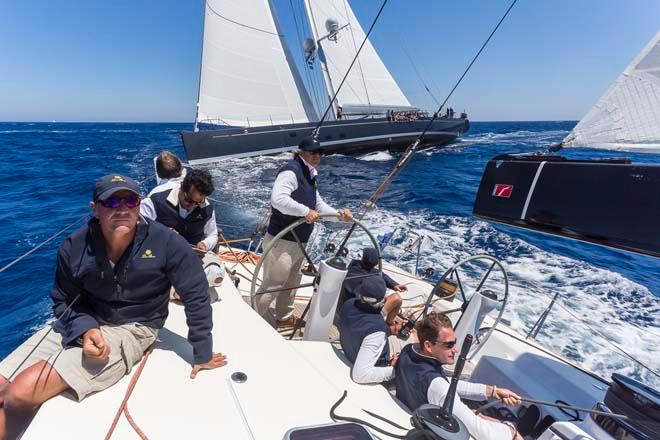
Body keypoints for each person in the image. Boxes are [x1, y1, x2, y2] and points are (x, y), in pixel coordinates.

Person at [0, 174, 227, 439]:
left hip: (134, 326)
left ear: (139, 205)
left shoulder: (167, 243)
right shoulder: (74, 246)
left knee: (20, 392)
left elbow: (196, 294)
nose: (122, 208)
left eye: (129, 200)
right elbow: (63, 299)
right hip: (83, 319)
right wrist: (86, 329)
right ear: (94, 208)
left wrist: (202, 353)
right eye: (111, 201)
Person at [256, 136, 352, 328]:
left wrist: (338, 215)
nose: (317, 156)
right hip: (282, 241)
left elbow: (318, 205)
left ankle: (283, 317)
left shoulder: (310, 174)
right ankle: (252, 320)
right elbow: (278, 199)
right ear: (301, 153)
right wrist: (305, 212)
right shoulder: (291, 172)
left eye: (320, 152)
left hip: (299, 241)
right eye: (312, 152)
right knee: (273, 285)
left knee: (292, 282)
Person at [396, 313, 522, 440]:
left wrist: (492, 391)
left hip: (414, 413)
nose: (455, 350)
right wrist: (511, 429)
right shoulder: (437, 386)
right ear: (429, 346)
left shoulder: (408, 352)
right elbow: (486, 434)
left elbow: (446, 383)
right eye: (449, 345)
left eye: (454, 344)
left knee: (476, 414)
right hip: (432, 431)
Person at [338, 277, 402, 384]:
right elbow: (360, 375)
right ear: (385, 300)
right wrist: (393, 370)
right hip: (378, 367)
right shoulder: (377, 331)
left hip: (349, 351)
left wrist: (389, 329)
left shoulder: (349, 304)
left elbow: (363, 325)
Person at [141, 168, 218, 252]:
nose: (192, 206)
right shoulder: (155, 203)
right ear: (181, 187)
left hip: (191, 256)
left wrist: (205, 244)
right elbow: (138, 229)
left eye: (198, 203)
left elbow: (212, 235)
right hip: (159, 253)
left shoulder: (206, 208)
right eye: (188, 200)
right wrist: (160, 233)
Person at [338, 248, 407, 326]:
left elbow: (379, 273)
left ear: (362, 258)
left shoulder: (353, 266)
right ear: (375, 264)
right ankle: (387, 323)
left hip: (343, 307)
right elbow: (377, 274)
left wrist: (394, 285)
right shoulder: (370, 278)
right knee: (396, 299)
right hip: (356, 314)